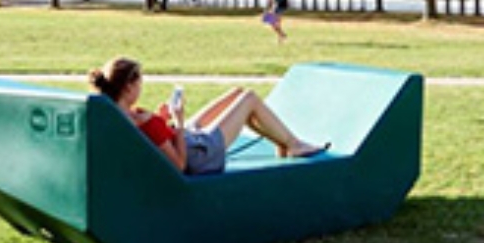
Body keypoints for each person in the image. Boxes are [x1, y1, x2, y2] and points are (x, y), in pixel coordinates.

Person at [88, 57, 329, 175]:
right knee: (250, 99)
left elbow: (156, 139)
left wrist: (166, 122)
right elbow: (180, 166)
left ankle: (283, 143)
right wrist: (179, 123)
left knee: (236, 93)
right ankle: (293, 145)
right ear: (128, 87)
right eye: (140, 81)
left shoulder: (119, 115)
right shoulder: (142, 122)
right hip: (198, 155)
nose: (142, 87)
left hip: (187, 141)